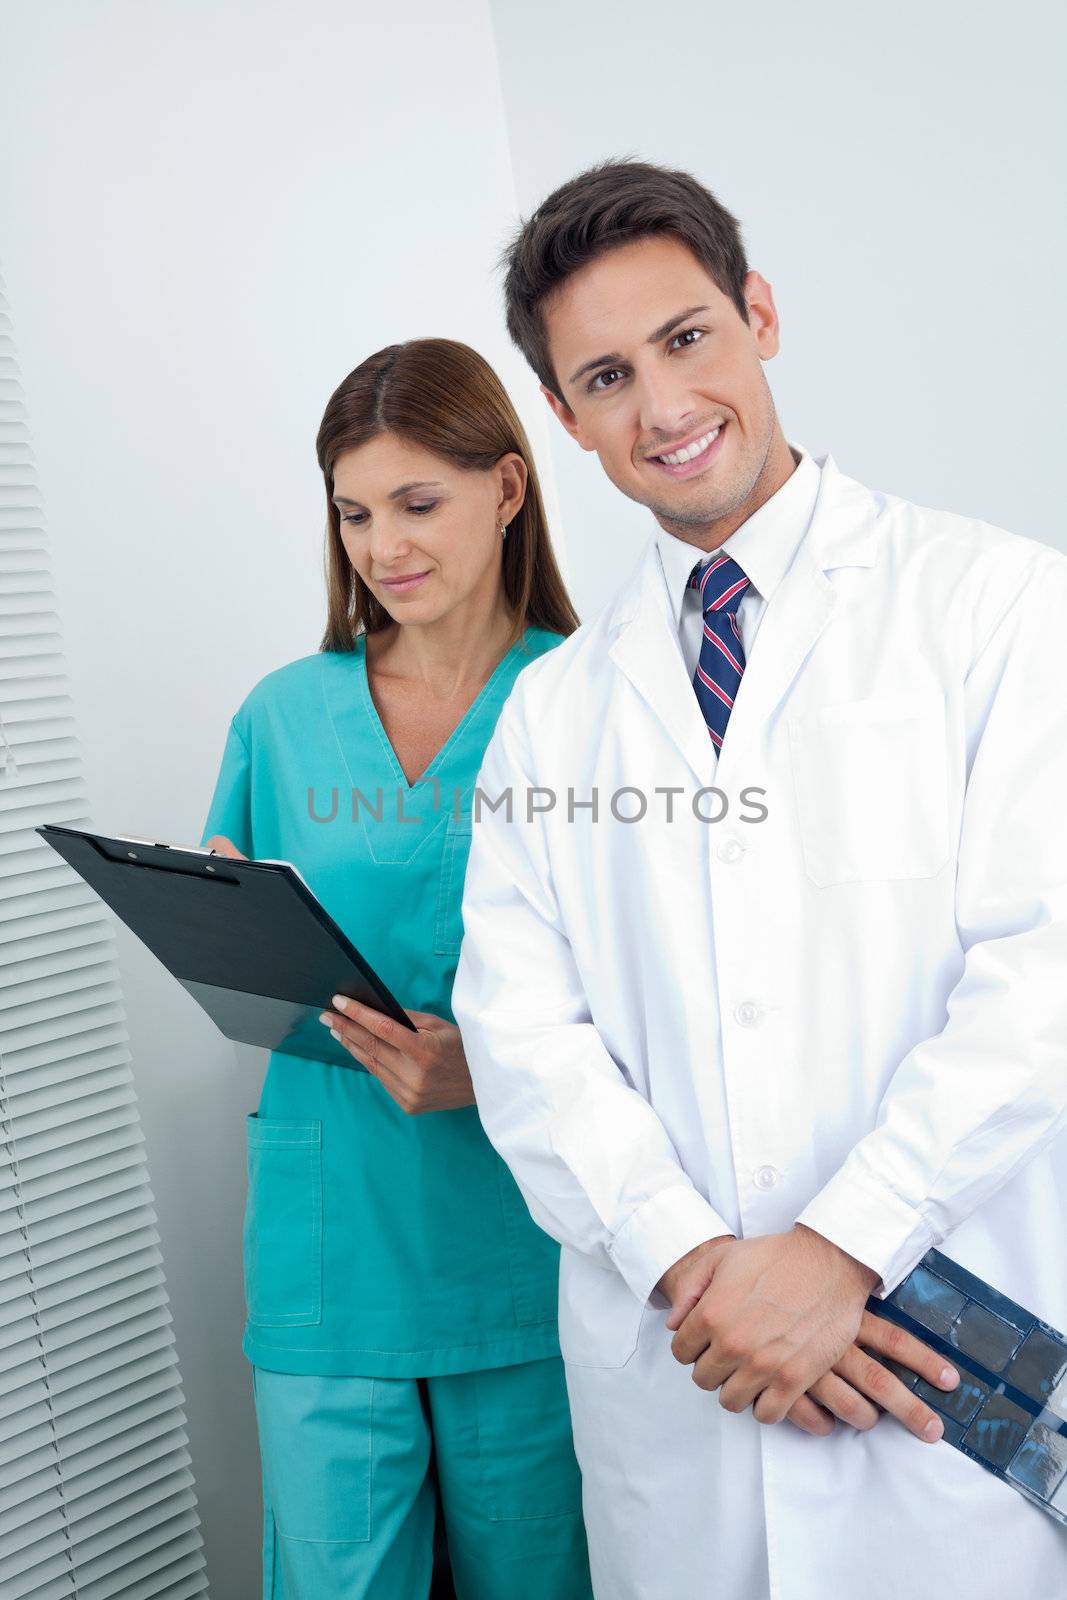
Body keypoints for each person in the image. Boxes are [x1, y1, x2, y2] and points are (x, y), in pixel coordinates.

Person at [450, 159, 1067, 1598]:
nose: (660, 409)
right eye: (604, 376)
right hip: (684, 1380)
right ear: (561, 416)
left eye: (685, 338)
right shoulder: (553, 711)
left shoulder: (992, 606)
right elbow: (521, 1038)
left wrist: (839, 1251)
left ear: (759, 315)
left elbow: (1040, 971)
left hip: (938, 1363)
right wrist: (697, 1270)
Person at [199, 337, 593, 1600]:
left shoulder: (590, 703)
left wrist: (490, 1070)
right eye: (354, 513)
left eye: (417, 504)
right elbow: (248, 979)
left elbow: (683, 993)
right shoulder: (281, 713)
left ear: (506, 490)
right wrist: (217, 923)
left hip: (521, 1248)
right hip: (330, 1249)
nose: (384, 546)